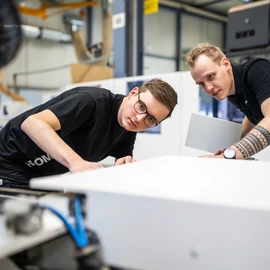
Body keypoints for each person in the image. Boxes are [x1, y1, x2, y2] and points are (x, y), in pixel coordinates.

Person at [0, 78, 178, 189]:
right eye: (141, 107)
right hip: (8, 160)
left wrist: (126, 164)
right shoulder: (91, 101)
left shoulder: (128, 127)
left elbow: (123, 159)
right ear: (133, 93)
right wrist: (75, 162)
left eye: (151, 119)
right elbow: (32, 123)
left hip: (43, 175)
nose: (140, 118)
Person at [185, 42, 270, 160]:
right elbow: (253, 114)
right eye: (201, 83)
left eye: (210, 76)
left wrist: (230, 155)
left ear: (226, 64)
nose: (208, 88)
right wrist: (232, 147)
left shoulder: (257, 70)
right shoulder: (233, 92)